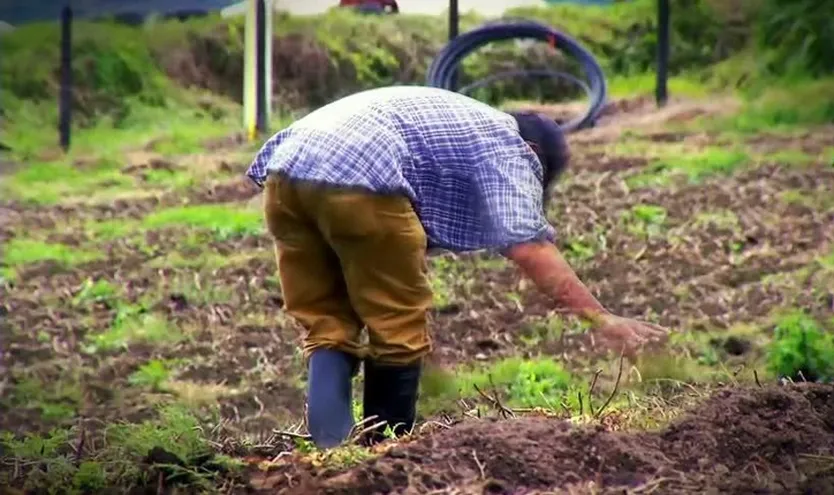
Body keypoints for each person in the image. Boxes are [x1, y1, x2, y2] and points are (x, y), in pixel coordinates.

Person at [244, 86, 668, 449]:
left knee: (326, 326)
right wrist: (600, 317)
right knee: (397, 329)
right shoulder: (506, 142)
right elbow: (528, 247)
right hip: (360, 175)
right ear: (533, 153)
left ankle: (330, 456)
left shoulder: (458, 120)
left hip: (286, 175)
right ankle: (384, 456)